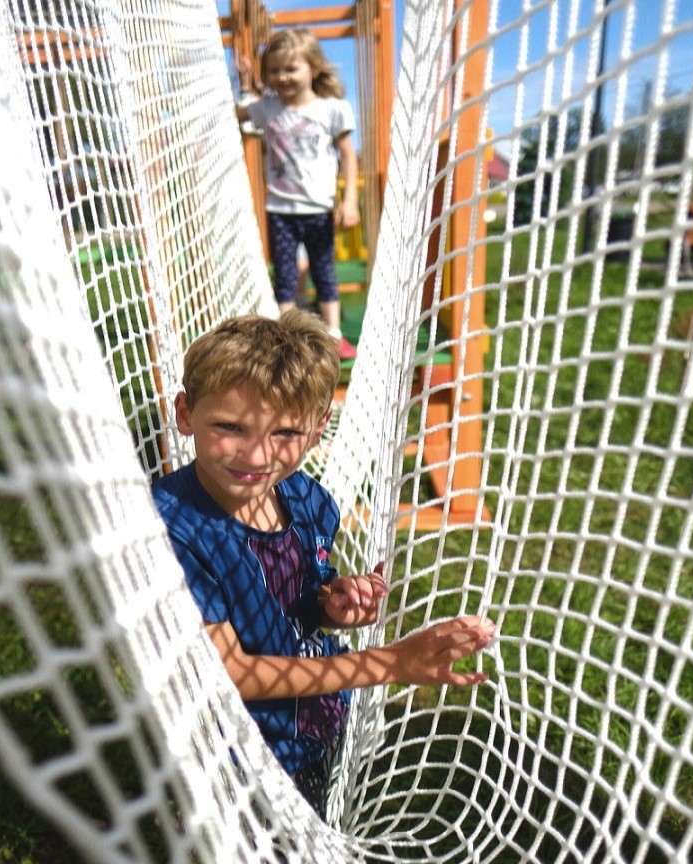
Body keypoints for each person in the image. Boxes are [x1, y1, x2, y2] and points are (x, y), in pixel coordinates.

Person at [153, 312, 495, 816]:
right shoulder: (174, 527)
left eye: (286, 433)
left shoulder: (306, 499)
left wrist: (332, 603)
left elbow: (304, 594)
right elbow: (230, 673)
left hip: (317, 718)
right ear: (185, 413)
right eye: (229, 426)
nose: (256, 454)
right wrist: (392, 664)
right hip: (248, 755)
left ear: (317, 433)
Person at [236, 29, 360, 360]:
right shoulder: (269, 107)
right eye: (275, 70)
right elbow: (240, 114)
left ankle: (333, 335)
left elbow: (348, 154)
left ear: (313, 68)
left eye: (291, 69)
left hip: (319, 206)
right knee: (286, 274)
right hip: (280, 208)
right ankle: (286, 336)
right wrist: (247, 86)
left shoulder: (332, 109)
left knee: (323, 270)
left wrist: (349, 201)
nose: (282, 77)